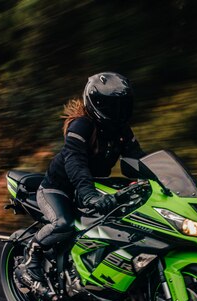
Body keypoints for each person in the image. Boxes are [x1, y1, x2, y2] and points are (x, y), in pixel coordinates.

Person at [22, 72, 146, 284]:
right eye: (111, 106)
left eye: (122, 105)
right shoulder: (82, 125)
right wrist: (89, 195)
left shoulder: (122, 130)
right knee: (64, 223)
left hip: (92, 188)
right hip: (58, 188)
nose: (117, 111)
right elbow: (75, 161)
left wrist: (162, 181)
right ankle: (31, 258)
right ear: (95, 103)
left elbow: (138, 159)